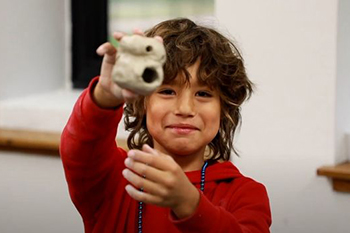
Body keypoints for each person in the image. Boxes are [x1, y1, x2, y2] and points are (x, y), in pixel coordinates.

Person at [60, 18, 271, 233]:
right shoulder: (113, 179)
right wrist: (105, 95)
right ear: (142, 102)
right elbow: (79, 149)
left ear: (224, 109)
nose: (185, 108)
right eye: (167, 91)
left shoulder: (246, 195)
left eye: (204, 94)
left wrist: (189, 204)